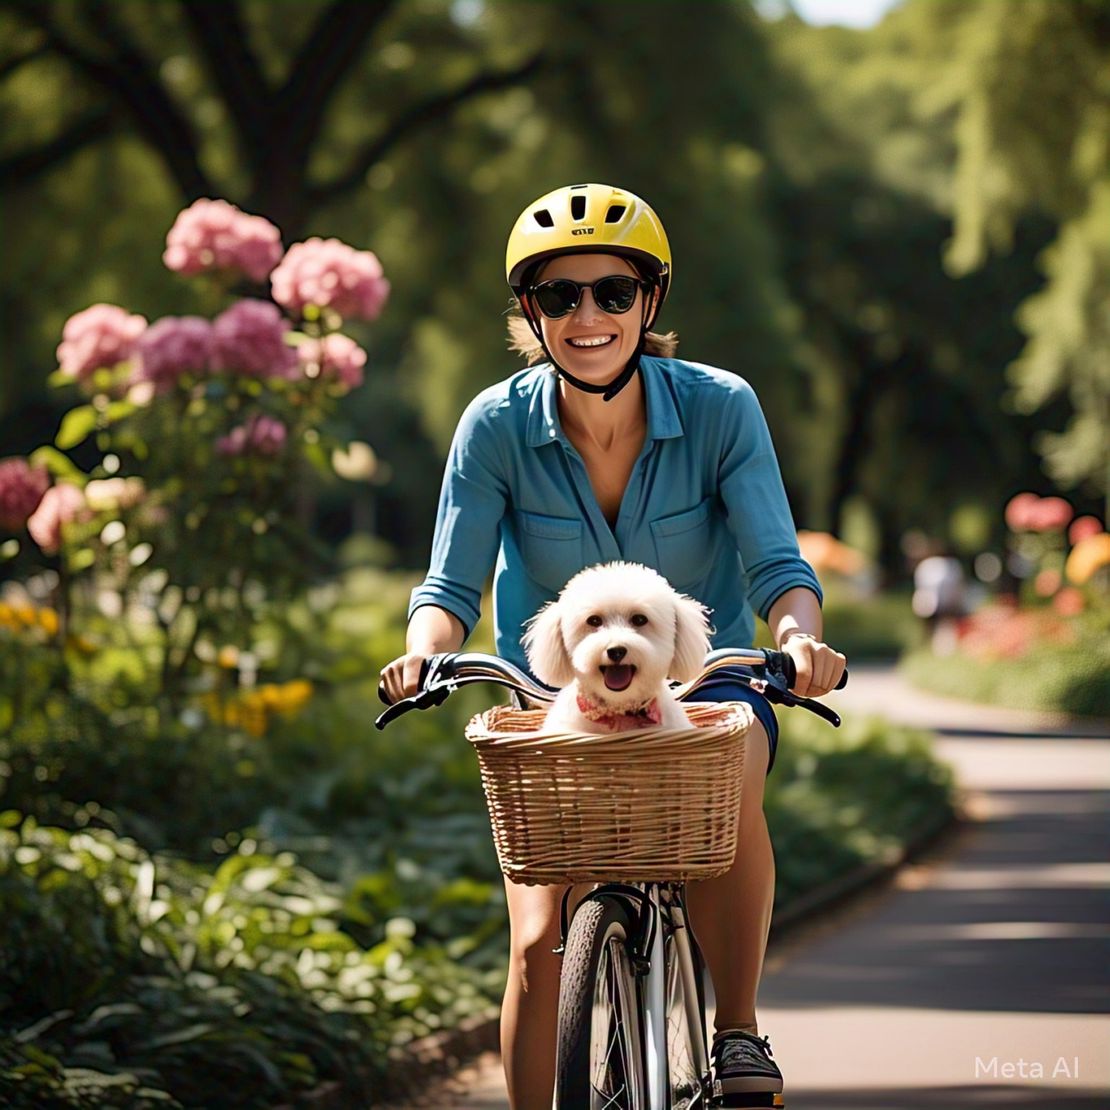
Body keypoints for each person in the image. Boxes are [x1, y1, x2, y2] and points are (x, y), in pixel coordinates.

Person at [380, 182, 847, 1109]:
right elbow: (449, 587)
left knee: (733, 765)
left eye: (612, 292)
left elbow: (776, 563)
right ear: (530, 313)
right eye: (559, 296)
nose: (587, 315)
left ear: (650, 302)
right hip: (553, 703)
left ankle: (738, 1030)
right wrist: (422, 652)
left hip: (705, 689)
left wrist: (800, 639)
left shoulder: (721, 408)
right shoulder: (494, 426)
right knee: (533, 942)